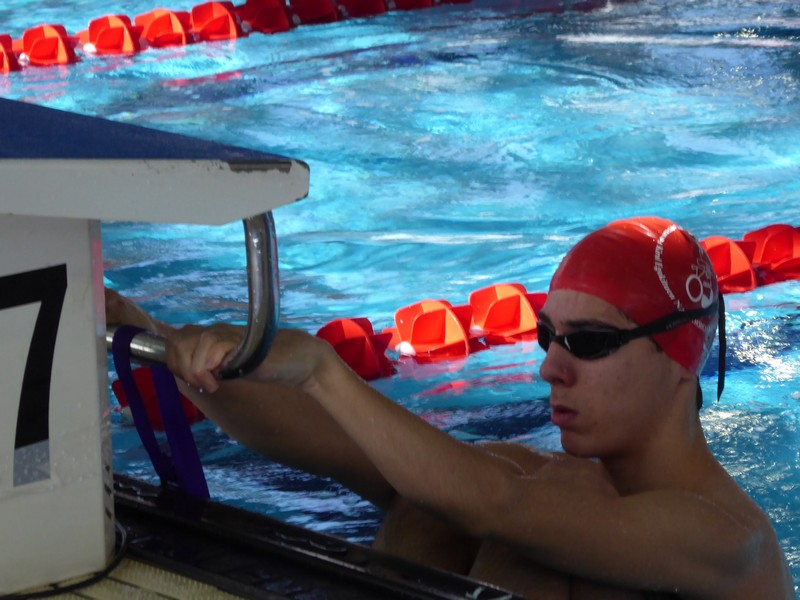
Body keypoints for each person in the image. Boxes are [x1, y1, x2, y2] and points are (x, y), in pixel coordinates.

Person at [105, 216, 794, 599]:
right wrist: (160, 345)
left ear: (683, 355)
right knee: (423, 511)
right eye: (546, 335)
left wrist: (320, 368)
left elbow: (493, 505)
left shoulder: (729, 543)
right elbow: (339, 442)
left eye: (588, 343)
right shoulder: (541, 480)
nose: (550, 367)